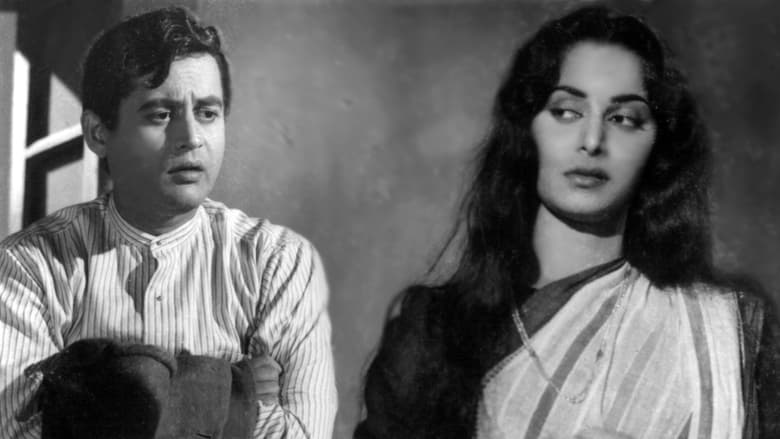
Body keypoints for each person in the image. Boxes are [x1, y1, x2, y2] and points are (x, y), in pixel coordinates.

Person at [355, 5, 779, 439]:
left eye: (623, 119)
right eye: (567, 112)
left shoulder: (724, 334)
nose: (592, 141)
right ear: (527, 130)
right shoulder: (435, 333)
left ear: (657, 146)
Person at [0, 6, 336, 439]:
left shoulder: (279, 262)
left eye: (208, 113)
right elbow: (16, 430)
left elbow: (304, 435)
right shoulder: (27, 266)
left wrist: (93, 395)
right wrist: (235, 391)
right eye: (161, 114)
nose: (191, 138)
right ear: (98, 132)